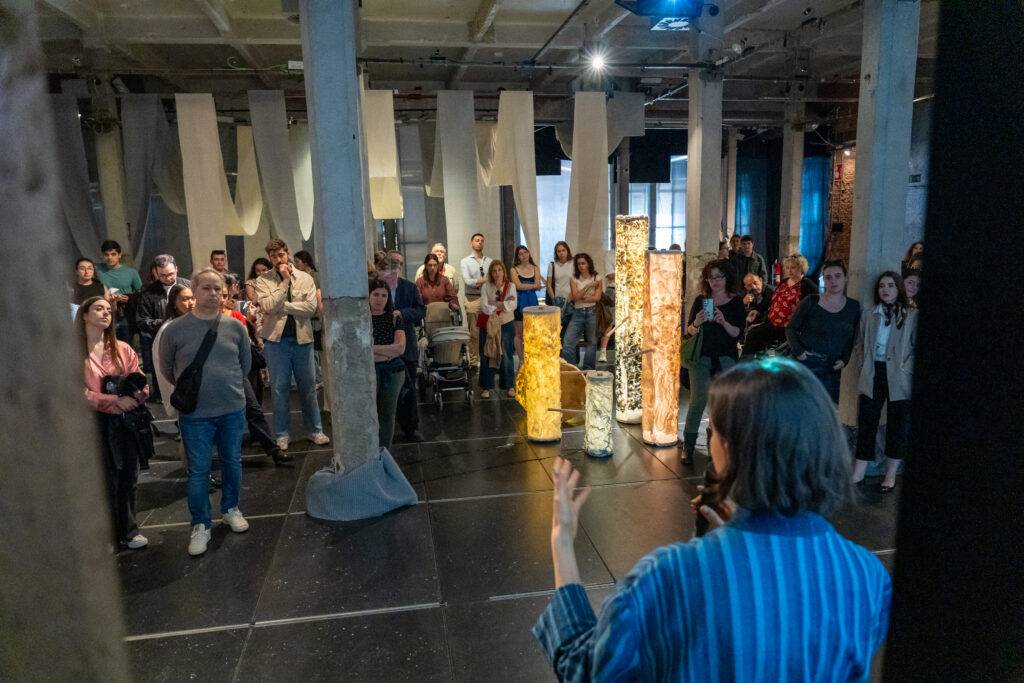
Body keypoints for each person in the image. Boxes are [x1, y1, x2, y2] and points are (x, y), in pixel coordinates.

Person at [533, 358, 891, 681]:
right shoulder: (868, 577)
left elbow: (587, 668)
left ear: (731, 449)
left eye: (713, 433)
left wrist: (562, 541)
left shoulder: (669, 575)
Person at [157, 269, 251, 557]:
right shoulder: (174, 330)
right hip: (196, 413)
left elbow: (245, 365)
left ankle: (231, 508)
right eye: (206, 288)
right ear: (194, 292)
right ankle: (200, 523)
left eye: (217, 289)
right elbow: (167, 369)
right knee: (198, 471)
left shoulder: (235, 327)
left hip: (231, 408)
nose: (213, 294)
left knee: (232, 462)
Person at [78, 296, 150, 551]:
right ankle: (107, 535)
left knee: (129, 475)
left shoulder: (122, 348)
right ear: (84, 315)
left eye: (109, 310)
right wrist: (112, 401)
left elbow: (141, 382)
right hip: (94, 422)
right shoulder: (74, 354)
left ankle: (129, 531)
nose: (106, 313)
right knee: (104, 479)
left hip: (125, 420)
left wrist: (133, 399)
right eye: (98, 308)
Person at [253, 239, 329, 451]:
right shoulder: (263, 280)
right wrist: (285, 282)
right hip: (276, 341)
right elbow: (267, 306)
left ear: (287, 253)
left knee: (308, 387)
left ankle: (315, 430)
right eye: (273, 256)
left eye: (281, 255)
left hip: (302, 339)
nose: (278, 260)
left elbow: (310, 308)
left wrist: (283, 307)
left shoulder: (305, 278)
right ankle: (282, 434)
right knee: (279, 389)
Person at [853, 272, 917, 493]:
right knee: (867, 420)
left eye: (890, 285)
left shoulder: (911, 315)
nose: (885, 289)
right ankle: (859, 471)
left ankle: (890, 475)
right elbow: (860, 343)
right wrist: (863, 365)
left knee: (897, 424)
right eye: (881, 286)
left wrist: (905, 369)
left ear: (899, 288)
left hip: (899, 376)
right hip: (873, 372)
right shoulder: (870, 314)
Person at [220, 278, 290, 465]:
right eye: (217, 294)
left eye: (224, 295)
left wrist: (241, 371)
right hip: (216, 378)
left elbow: (245, 347)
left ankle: (272, 450)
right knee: (224, 418)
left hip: (237, 373)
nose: (220, 299)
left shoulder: (234, 317)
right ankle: (228, 456)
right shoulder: (199, 321)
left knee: (254, 410)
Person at [681, 259, 745, 463]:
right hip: (701, 356)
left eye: (719, 276)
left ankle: (714, 445)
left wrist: (723, 321)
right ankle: (688, 447)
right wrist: (697, 323)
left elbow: (738, 334)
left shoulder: (736, 301)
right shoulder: (702, 300)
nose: (715, 281)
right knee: (698, 400)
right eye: (711, 277)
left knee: (721, 403)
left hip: (726, 357)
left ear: (727, 277)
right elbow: (688, 332)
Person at [786, 260, 862, 403]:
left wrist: (845, 358)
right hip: (806, 362)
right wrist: (799, 351)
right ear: (823, 280)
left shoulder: (853, 306)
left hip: (830, 367)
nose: (833, 281)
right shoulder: (811, 301)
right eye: (828, 277)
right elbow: (791, 328)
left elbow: (851, 335)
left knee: (822, 410)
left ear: (846, 278)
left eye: (838, 276)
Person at [382, 250, 425, 441]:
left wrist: (402, 314)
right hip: (384, 343)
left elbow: (420, 311)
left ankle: (410, 428)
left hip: (406, 344)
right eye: (392, 264)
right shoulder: (379, 287)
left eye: (398, 264)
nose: (395, 267)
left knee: (408, 389)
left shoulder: (409, 286)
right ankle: (384, 429)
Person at [134, 254, 190, 403]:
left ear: (177, 269)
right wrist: (164, 323)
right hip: (162, 339)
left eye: (171, 274)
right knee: (164, 373)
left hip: (190, 337)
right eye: (162, 275)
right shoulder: (148, 292)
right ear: (155, 273)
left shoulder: (188, 286)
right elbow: (141, 320)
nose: (168, 278)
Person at [741, 253, 816, 357]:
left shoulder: (807, 285)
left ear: (801, 268)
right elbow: (772, 300)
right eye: (787, 268)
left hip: (789, 329)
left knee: (758, 337)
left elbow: (815, 308)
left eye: (793, 268)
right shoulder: (784, 282)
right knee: (752, 334)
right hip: (773, 324)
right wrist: (758, 310)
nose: (789, 271)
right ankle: (744, 367)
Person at [369, 278, 407, 450]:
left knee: (387, 415)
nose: (379, 299)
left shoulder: (394, 317)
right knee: (369, 414)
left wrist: (372, 349)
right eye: (376, 294)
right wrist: (386, 351)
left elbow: (400, 348)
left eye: (384, 295)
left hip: (393, 371)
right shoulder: (362, 319)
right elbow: (359, 351)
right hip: (369, 372)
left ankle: (384, 452)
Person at [478, 260, 517, 398]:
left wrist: (494, 303)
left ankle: (509, 385)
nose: (497, 273)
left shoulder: (511, 286)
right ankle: (486, 387)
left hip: (506, 323)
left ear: (503, 271)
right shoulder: (485, 287)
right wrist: (501, 304)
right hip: (489, 324)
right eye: (494, 271)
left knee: (506, 354)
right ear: (490, 273)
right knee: (487, 353)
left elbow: (513, 304)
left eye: (499, 270)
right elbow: (483, 306)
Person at [560, 253, 603, 371]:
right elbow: (575, 297)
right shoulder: (574, 278)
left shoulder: (597, 277)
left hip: (592, 312)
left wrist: (582, 297)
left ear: (588, 263)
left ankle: (588, 370)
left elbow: (597, 298)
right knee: (568, 341)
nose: (581, 266)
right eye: (578, 264)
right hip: (577, 312)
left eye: (583, 263)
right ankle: (571, 369)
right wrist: (589, 286)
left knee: (592, 342)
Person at [97, 240, 143, 343]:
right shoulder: (97, 270)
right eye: (106, 255)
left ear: (119, 255)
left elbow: (141, 294)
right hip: (103, 313)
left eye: (113, 254)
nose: (110, 258)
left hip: (124, 314)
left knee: (126, 345)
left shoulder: (131, 272)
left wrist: (129, 298)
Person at [460, 233, 493, 364]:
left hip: (487, 300)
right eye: (477, 240)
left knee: (487, 330)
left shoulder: (489, 261)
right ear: (471, 243)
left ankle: (486, 359)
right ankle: (474, 361)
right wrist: (484, 280)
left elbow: (494, 280)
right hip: (473, 300)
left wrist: (479, 282)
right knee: (474, 333)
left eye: (482, 241)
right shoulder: (465, 261)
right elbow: (468, 281)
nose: (479, 242)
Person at [510, 245, 543, 362]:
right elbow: (518, 286)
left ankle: (531, 358)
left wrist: (528, 286)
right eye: (520, 253)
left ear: (529, 253)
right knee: (519, 333)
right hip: (519, 303)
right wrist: (533, 286)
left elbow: (539, 285)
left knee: (533, 332)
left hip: (533, 302)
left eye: (525, 252)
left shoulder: (535, 268)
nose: (523, 255)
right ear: (517, 257)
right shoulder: (514, 269)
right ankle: (521, 360)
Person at [546, 240, 574, 333]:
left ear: (567, 251)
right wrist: (554, 299)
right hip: (557, 300)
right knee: (556, 331)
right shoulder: (552, 265)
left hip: (571, 300)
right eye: (559, 251)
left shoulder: (573, 264)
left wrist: (570, 299)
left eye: (563, 250)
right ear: (556, 253)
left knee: (569, 330)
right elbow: (549, 285)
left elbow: (576, 283)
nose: (561, 253)